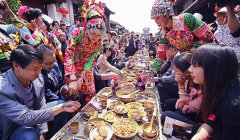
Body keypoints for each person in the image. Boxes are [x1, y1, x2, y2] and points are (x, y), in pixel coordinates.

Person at [0, 44, 81, 140]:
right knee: (29, 134)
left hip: (35, 117)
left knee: (62, 106)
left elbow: (41, 104)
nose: (39, 72)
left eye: (40, 68)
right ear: (16, 65)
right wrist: (61, 107)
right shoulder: (2, 88)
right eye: (35, 69)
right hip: (16, 129)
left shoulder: (38, 77)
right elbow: (25, 117)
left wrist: (42, 131)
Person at [190, 44, 240, 140]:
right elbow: (212, 121)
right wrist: (198, 137)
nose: (189, 70)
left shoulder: (233, 106)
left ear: (214, 69)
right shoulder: (219, 89)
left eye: (195, 65)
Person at [64, 0, 106, 104]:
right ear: (87, 26)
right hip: (72, 70)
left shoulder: (99, 43)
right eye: (93, 34)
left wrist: (82, 78)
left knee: (89, 98)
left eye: (98, 35)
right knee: (73, 99)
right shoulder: (77, 33)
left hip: (86, 72)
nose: (95, 38)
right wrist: (73, 78)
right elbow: (69, 54)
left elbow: (90, 62)